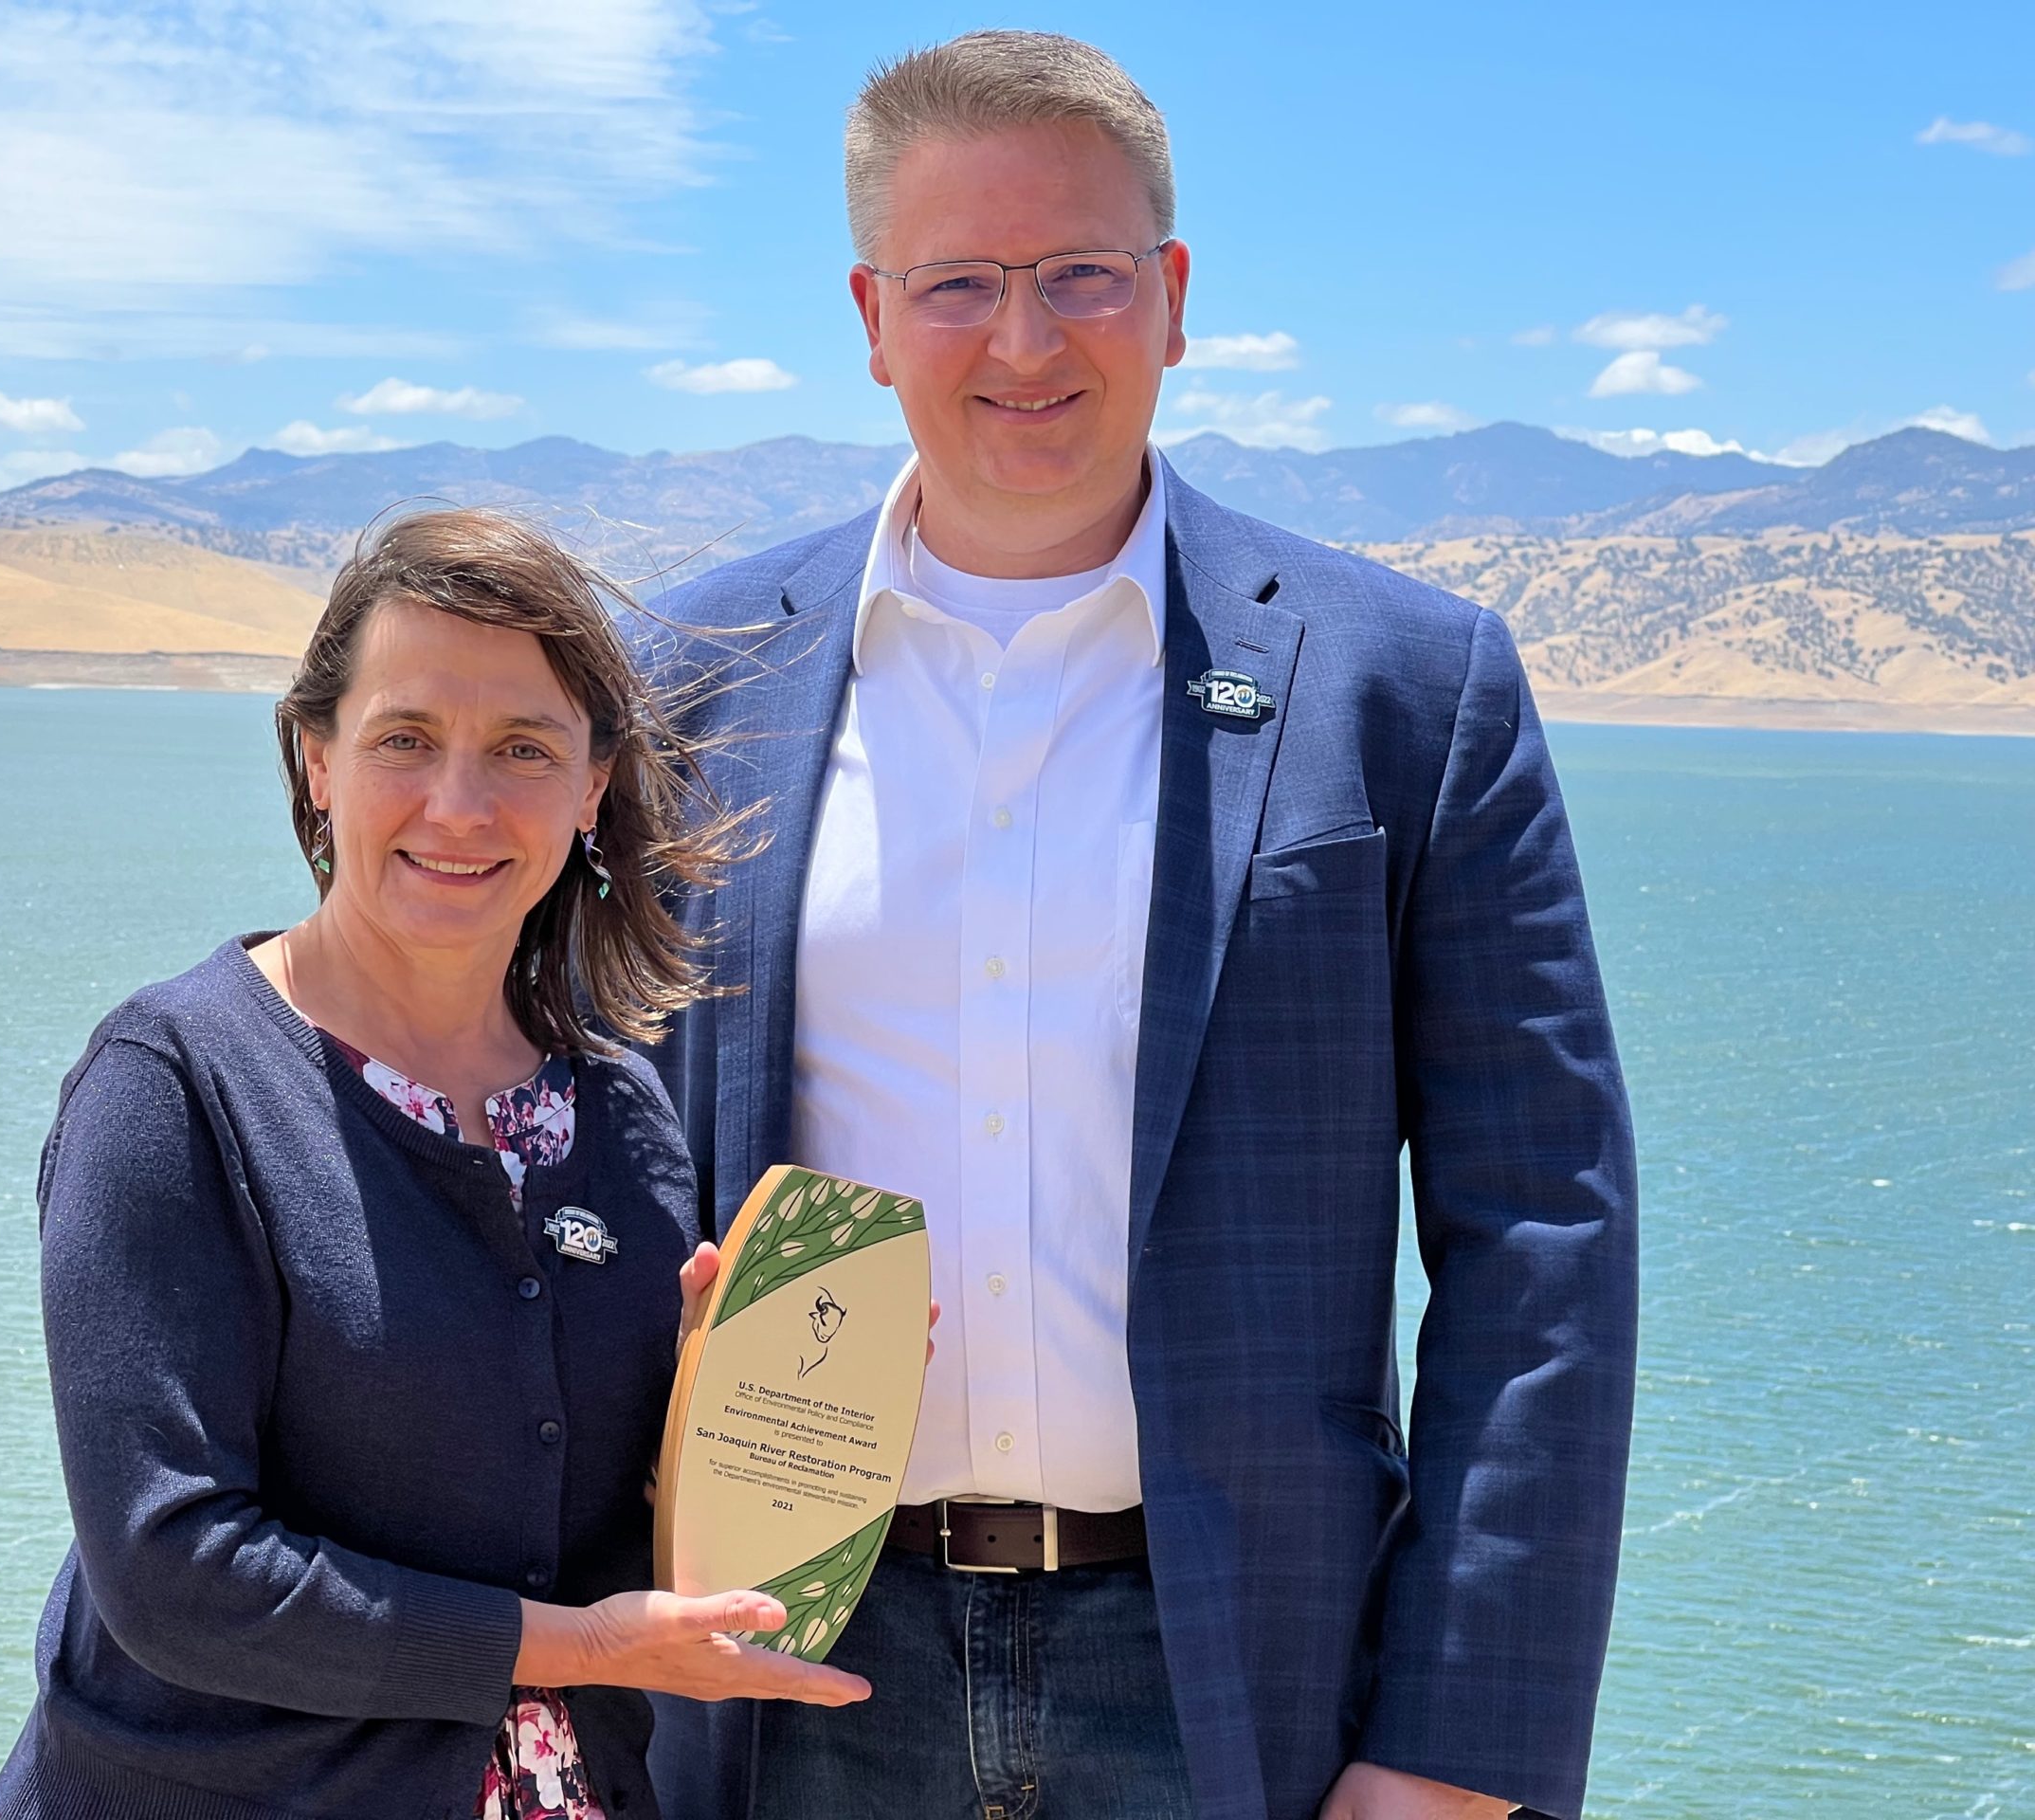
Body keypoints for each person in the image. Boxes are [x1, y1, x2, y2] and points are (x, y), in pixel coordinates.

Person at [639, 31, 1637, 1820]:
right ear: (871, 317)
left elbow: (1541, 1234)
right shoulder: (695, 677)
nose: (1025, 341)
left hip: (1243, 1684)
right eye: (958, 284)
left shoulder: (1408, 686)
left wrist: (1450, 1752)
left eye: (1080, 274)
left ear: (1171, 299)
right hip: (789, 1673)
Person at [0, 508, 866, 1820]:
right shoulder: (176, 1086)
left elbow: (596, 1541)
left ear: (592, 787)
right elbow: (174, 1573)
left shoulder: (619, 1123)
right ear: (317, 757)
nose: (460, 804)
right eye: (406, 738)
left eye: (523, 749)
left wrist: (732, 1414)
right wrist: (577, 1650)